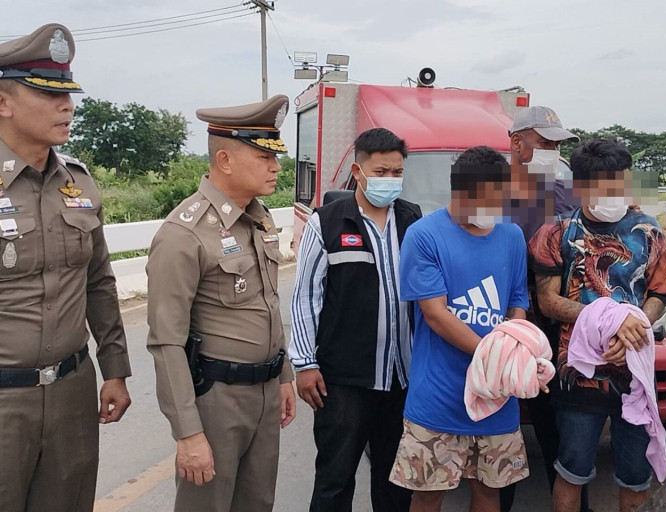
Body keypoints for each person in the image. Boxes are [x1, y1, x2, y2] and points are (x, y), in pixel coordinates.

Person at [0, 24, 132, 512]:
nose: (67, 107)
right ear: (3, 102)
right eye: (48, 94)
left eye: (68, 94)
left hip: (72, 394)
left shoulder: (78, 183)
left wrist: (114, 369)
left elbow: (98, 282)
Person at [146, 95, 296, 512]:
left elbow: (268, 303)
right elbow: (166, 341)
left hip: (264, 392)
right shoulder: (184, 233)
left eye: (275, 156)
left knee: (257, 503)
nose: (276, 167)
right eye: (264, 156)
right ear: (225, 160)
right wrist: (188, 432)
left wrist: (283, 375)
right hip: (216, 401)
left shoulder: (259, 218)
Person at [529, 139, 666, 512]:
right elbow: (548, 300)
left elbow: (663, 292)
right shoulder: (556, 233)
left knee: (635, 475)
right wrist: (609, 323)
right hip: (579, 376)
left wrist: (635, 326)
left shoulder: (648, 231)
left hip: (635, 374)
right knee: (572, 470)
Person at [389, 146, 531, 512]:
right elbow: (435, 314)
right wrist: (497, 356)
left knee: (488, 490)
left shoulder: (512, 236)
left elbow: (517, 299)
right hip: (439, 398)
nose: (494, 208)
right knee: (428, 493)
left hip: (497, 398)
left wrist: (515, 348)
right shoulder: (424, 235)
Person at [290, 127, 419, 512]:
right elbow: (306, 296)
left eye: (397, 172)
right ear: (358, 172)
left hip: (401, 378)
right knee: (335, 478)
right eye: (381, 172)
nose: (390, 180)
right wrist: (305, 363)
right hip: (344, 380)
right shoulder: (328, 222)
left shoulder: (411, 219)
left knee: (396, 482)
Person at [500, 106, 588, 512]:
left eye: (557, 146)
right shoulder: (491, 193)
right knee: (499, 423)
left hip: (560, 329)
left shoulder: (569, 192)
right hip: (506, 326)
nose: (553, 153)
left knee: (561, 425)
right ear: (517, 143)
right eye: (546, 143)